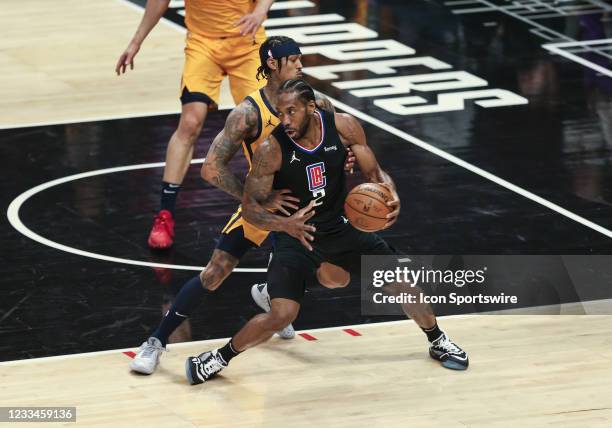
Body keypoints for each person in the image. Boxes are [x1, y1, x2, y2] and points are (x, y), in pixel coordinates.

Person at [185, 79, 469, 385]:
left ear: (311, 107)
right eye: (280, 113)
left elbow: (375, 173)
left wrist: (391, 192)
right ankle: (216, 358)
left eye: (292, 112)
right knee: (282, 315)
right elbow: (250, 207)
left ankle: (437, 340)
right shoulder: (272, 149)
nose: (286, 120)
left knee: (401, 282)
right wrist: (284, 224)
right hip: (296, 236)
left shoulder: (344, 127)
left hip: (338, 229)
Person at [129, 38, 355, 375]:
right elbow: (211, 168)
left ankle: (270, 292)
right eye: (292, 60)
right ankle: (155, 342)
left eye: (299, 59)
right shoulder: (248, 113)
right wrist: (256, 197)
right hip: (265, 207)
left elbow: (337, 141)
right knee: (215, 272)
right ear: (272, 64)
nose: (299, 65)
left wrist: (346, 158)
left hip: (309, 208)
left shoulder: (314, 101)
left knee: (338, 274)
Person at [116, 0, 275, 249]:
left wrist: (260, 9)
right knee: (190, 122)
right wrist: (137, 40)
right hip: (203, 44)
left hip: (247, 42)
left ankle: (277, 208)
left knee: (263, 127)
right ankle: (165, 216)